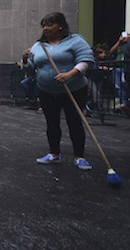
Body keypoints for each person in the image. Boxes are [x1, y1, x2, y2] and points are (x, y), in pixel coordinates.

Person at [21, 12, 94, 170]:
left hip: (72, 90)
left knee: (74, 122)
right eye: (44, 25)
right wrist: (25, 60)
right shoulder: (39, 45)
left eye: (49, 25)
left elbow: (86, 60)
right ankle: (54, 153)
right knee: (52, 123)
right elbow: (31, 69)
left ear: (60, 26)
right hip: (46, 90)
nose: (45, 28)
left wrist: (70, 74)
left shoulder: (75, 41)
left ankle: (79, 156)